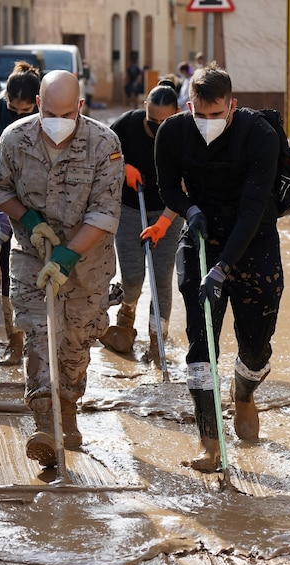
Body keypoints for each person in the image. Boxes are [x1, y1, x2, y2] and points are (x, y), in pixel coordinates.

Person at [0, 70, 123, 469]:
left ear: (79, 107)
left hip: (88, 262)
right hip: (32, 255)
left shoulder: (104, 143)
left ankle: (68, 404)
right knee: (39, 332)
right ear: (39, 105)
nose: (58, 120)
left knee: (76, 340)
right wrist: (27, 221)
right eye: (51, 111)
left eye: (67, 112)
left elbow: (105, 211)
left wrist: (67, 257)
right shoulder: (15, 139)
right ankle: (46, 421)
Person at [150, 62, 282, 471]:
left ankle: (243, 394)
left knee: (256, 345)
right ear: (188, 105)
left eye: (216, 114)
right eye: (198, 114)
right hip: (201, 236)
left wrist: (224, 267)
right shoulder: (172, 132)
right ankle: (209, 439)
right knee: (200, 340)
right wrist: (189, 210)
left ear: (232, 105)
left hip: (253, 237)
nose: (207, 122)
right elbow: (167, 186)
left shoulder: (258, 135)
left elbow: (253, 208)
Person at [101, 80, 183, 361]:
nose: (159, 127)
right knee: (133, 277)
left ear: (178, 112)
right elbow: (101, 151)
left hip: (167, 213)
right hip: (130, 209)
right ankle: (126, 314)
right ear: (144, 108)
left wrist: (163, 223)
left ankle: (156, 342)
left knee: (161, 278)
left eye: (166, 121)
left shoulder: (185, 133)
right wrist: (122, 165)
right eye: (153, 120)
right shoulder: (127, 124)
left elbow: (187, 186)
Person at [0, 62, 41, 367]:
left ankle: (38, 336)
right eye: (14, 107)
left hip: (36, 201)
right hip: (1, 198)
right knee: (3, 267)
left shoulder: (47, 113)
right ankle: (13, 339)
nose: (19, 114)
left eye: (26, 109)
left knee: (37, 268)